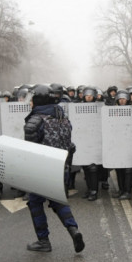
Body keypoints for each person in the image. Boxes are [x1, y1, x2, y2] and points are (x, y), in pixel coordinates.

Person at [23, 84, 85, 253]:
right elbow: (68, 144)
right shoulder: (63, 118)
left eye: (32, 99)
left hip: (41, 169)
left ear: (38, 100)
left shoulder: (35, 121)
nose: (30, 103)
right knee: (58, 201)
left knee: (35, 202)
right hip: (60, 168)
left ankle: (43, 241)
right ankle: (74, 231)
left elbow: (30, 151)